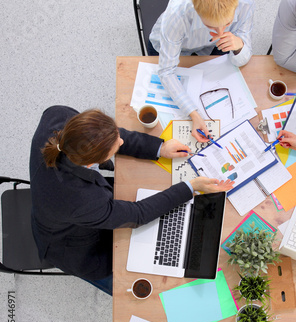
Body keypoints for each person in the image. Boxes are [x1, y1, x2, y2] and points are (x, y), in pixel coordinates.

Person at [29, 106, 233, 295]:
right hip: (79, 248)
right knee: (133, 278)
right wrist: (191, 187)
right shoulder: (81, 199)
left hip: (65, 209)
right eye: (114, 147)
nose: (121, 142)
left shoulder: (57, 117)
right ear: (92, 162)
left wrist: (158, 148)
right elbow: (138, 214)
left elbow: (107, 135)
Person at [148, 0, 254, 141]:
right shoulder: (177, 14)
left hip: (208, 48)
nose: (220, 33)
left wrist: (239, 45)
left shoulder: (246, 3)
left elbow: (243, 58)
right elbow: (166, 71)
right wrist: (193, 114)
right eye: (210, 26)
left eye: (228, 24)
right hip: (171, 46)